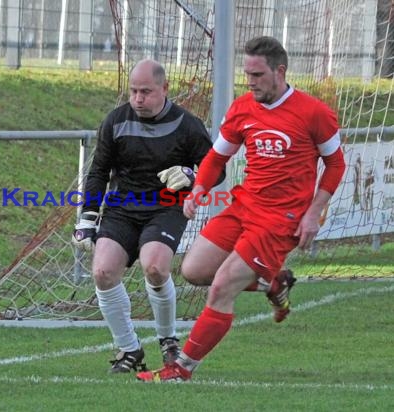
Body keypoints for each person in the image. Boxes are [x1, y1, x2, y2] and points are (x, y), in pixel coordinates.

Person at [137, 36, 346, 382]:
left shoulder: (314, 113)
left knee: (220, 287)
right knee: (194, 270)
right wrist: (199, 188)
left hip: (281, 220)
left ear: (280, 72)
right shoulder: (243, 108)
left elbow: (336, 165)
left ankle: (181, 368)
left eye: (257, 74)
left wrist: (314, 212)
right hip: (244, 206)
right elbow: (217, 156)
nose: (250, 81)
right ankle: (273, 282)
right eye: (246, 74)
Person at [71, 58, 223, 373]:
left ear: (165, 89)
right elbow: (99, 171)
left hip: (167, 207)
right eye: (134, 91)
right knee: (102, 272)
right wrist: (87, 218)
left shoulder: (187, 125)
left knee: (154, 266)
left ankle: (167, 339)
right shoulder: (116, 121)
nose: (138, 99)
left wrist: (192, 176)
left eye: (146, 92)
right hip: (122, 208)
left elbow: (216, 170)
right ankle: (129, 350)